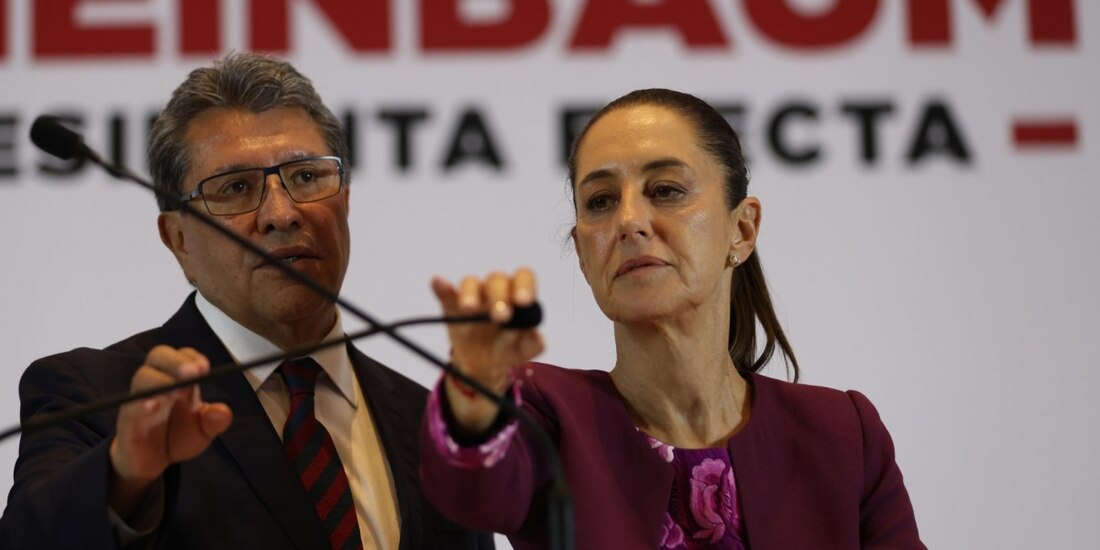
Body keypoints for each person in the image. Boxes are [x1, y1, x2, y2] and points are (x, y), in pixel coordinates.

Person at [0, 53, 493, 550]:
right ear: (178, 240)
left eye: (305, 177)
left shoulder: (426, 421)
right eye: (236, 188)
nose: (281, 214)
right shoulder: (99, 398)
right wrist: (126, 469)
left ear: (344, 200)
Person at [419, 89, 925, 549]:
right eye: (600, 201)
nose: (629, 221)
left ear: (742, 230)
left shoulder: (843, 434)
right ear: (582, 253)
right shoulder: (547, 416)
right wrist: (473, 400)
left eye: (665, 190)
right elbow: (470, 496)